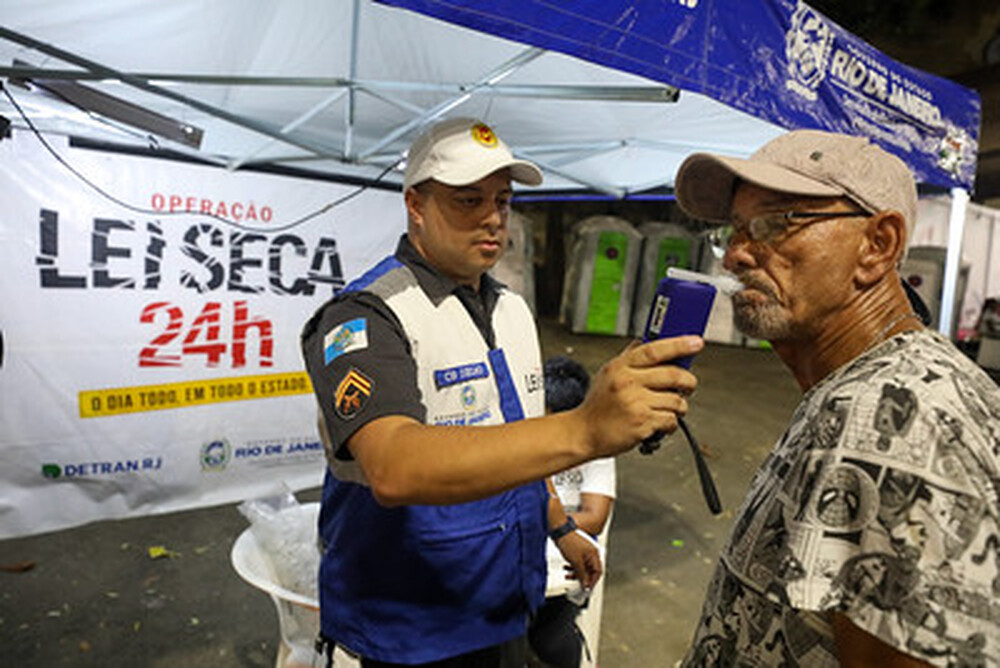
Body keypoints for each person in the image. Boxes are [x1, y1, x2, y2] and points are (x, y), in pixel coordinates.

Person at [300, 117, 703, 667]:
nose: (493, 218)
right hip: (413, 624)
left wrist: (561, 529)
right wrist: (586, 427)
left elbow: (517, 440)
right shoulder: (364, 317)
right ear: (415, 204)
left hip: (506, 598)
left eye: (503, 200)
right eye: (468, 200)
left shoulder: (509, 308)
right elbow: (394, 467)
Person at [673, 129, 1000, 667]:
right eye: (732, 231)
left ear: (878, 245)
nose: (734, 256)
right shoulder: (857, 389)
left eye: (776, 224)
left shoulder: (897, 420)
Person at [528, 356, 616, 668]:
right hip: (532, 552)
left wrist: (544, 522)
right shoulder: (524, 436)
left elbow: (595, 516)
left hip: (565, 560)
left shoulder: (596, 447)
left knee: (551, 639)